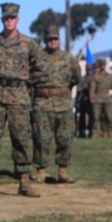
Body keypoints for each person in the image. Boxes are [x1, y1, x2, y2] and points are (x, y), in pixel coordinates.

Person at [0, 3, 41, 197]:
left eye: (12, 18)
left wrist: (28, 85)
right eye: (6, 18)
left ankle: (24, 181)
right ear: (2, 20)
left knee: (21, 140)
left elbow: (39, 69)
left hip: (19, 96)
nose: (9, 21)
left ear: (18, 19)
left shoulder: (29, 44)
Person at [30, 24, 82, 183]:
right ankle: (41, 170)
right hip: (42, 103)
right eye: (49, 39)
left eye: (55, 39)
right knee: (41, 139)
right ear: (45, 40)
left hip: (63, 104)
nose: (52, 41)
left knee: (65, 138)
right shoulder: (37, 58)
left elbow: (76, 78)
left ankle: (63, 170)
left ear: (59, 40)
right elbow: (29, 79)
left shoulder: (68, 59)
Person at [90, 59, 112, 138]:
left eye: (104, 65)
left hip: (107, 98)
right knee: (96, 116)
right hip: (98, 98)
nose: (103, 66)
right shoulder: (95, 76)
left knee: (108, 116)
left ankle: (108, 131)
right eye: (101, 65)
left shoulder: (110, 76)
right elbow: (92, 88)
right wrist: (92, 97)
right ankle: (95, 132)